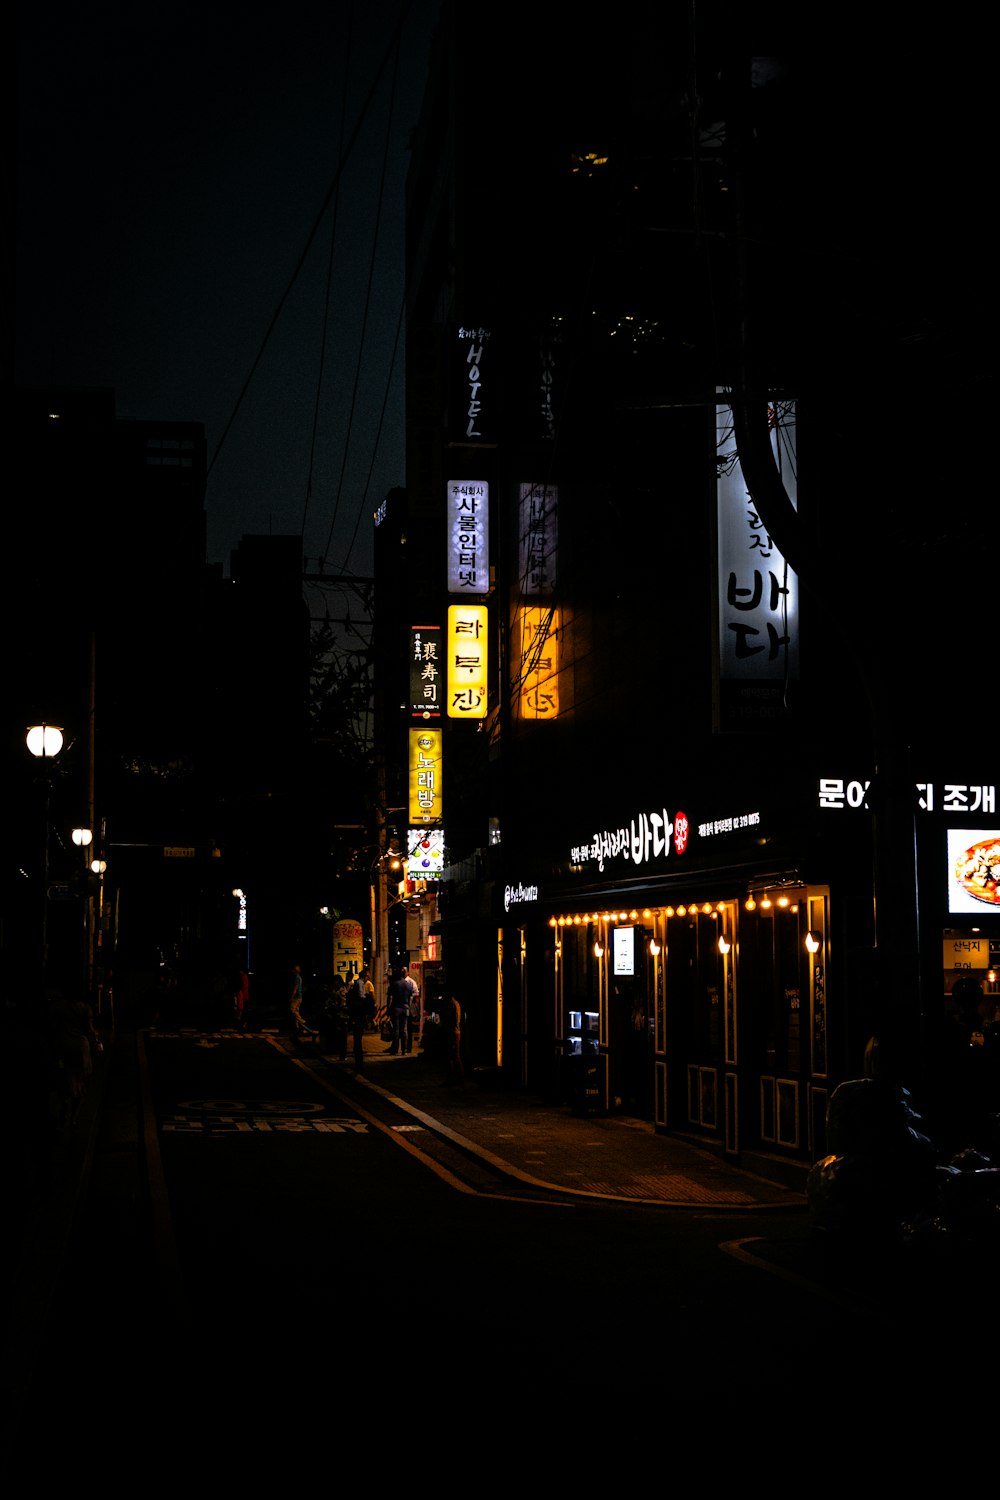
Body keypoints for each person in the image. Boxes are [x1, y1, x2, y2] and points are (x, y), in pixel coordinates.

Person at [386, 965, 418, 1055]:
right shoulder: (408, 985)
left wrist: (388, 1009)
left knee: (396, 1030)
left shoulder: (394, 984)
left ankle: (395, 1049)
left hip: (396, 1008)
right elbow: (410, 998)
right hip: (405, 1008)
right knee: (404, 1030)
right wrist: (407, 1006)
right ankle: (404, 1050)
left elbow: (390, 997)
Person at [346, 970, 367, 1071]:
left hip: (357, 1015)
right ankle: (359, 1062)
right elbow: (361, 996)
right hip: (358, 1015)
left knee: (357, 1038)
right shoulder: (360, 984)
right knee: (358, 1038)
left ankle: (358, 1061)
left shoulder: (358, 984)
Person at [441, 991, 464, 1086]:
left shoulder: (451, 1004)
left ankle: (453, 1078)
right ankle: (458, 1078)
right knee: (455, 1056)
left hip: (451, 1031)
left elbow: (447, 1017)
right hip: (455, 1031)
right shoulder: (456, 1003)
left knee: (451, 1056)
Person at [289, 964, 308, 1036]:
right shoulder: (299, 977)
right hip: (299, 996)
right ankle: (297, 1027)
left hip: (297, 997)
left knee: (292, 1009)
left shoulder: (297, 977)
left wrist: (292, 997)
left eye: (293, 969)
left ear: (295, 971)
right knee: (296, 1011)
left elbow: (295, 988)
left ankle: (302, 1021)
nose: (292, 971)